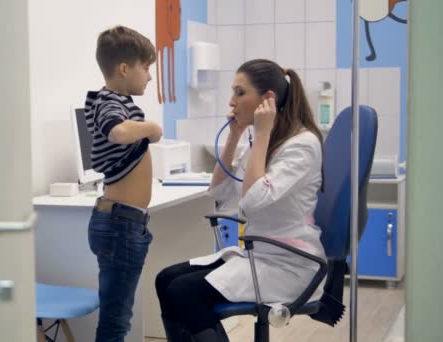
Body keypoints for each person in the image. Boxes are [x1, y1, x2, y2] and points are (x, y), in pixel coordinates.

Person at [155, 59, 326, 341]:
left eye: (240, 93)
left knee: (183, 291)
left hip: (290, 265)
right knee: (166, 279)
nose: (232, 102)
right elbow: (219, 194)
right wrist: (234, 137)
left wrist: (260, 133)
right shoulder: (265, 143)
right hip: (262, 257)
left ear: (267, 100)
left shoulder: (301, 145)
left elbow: (251, 202)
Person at [84, 25, 162, 342]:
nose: (150, 76)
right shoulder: (109, 102)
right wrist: (150, 128)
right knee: (117, 322)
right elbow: (116, 132)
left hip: (123, 221)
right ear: (125, 69)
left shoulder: (116, 100)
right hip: (121, 223)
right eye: (146, 68)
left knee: (118, 317)